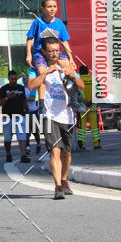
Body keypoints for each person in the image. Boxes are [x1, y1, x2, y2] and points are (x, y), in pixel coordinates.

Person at [28, 36, 84, 199]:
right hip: (49, 115)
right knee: (55, 151)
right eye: (51, 51)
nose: (54, 54)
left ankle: (64, 180)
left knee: (67, 153)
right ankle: (58, 186)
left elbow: (82, 86)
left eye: (57, 51)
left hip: (67, 115)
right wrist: (46, 73)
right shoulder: (37, 68)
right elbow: (31, 85)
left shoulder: (65, 65)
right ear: (44, 51)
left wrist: (71, 75)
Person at [25, 0, 77, 106]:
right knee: (42, 73)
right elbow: (29, 38)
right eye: (49, 7)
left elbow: (65, 42)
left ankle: (74, 98)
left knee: (70, 69)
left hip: (55, 53)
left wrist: (71, 58)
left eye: (54, 6)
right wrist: (29, 54)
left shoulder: (59, 24)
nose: (52, 9)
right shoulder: (38, 22)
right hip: (40, 53)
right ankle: (41, 103)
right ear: (43, 9)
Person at [0, 70, 30, 164]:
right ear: (8, 79)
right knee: (7, 138)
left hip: (20, 116)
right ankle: (8, 154)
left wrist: (28, 114)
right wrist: (7, 97)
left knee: (22, 136)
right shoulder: (3, 89)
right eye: (12, 79)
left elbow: (24, 102)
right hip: (7, 117)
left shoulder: (21, 88)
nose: (14, 80)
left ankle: (23, 155)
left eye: (15, 78)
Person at [76, 65, 101, 150]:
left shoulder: (78, 81)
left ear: (79, 72)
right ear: (87, 72)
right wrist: (91, 102)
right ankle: (96, 143)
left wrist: (84, 101)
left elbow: (75, 95)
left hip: (82, 107)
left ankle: (82, 144)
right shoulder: (94, 80)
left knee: (82, 127)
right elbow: (99, 94)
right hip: (92, 106)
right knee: (94, 126)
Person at [23, 75, 41, 154]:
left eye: (25, 79)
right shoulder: (22, 89)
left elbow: (32, 98)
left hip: (33, 111)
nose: (24, 81)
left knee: (34, 130)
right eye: (23, 79)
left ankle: (38, 144)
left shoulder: (32, 88)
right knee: (26, 131)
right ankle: (27, 147)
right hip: (25, 112)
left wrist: (23, 100)